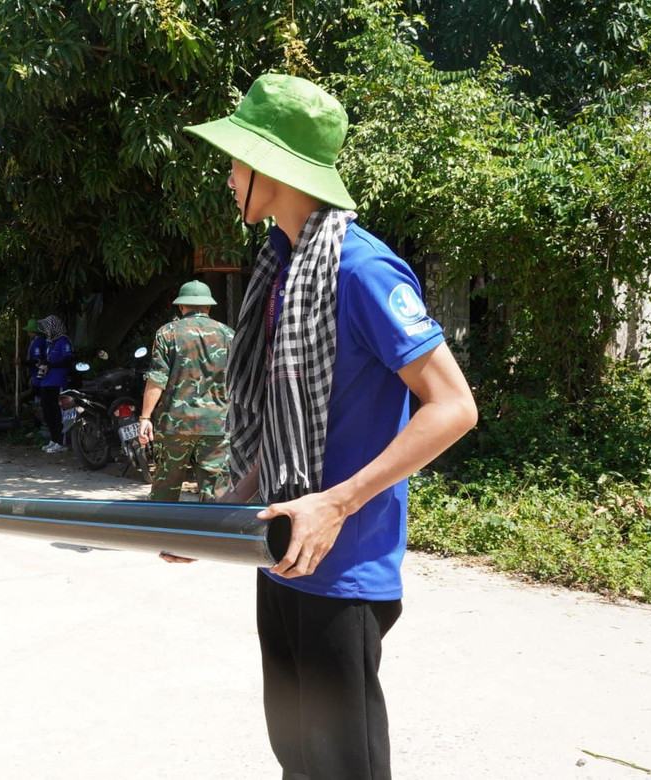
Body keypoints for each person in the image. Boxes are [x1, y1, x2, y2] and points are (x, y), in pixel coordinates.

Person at [184, 74, 477, 779]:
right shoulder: (282, 270)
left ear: (272, 167)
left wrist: (336, 502)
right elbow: (285, 416)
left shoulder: (363, 269)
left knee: (344, 768)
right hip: (280, 551)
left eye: (236, 159)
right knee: (297, 758)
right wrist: (225, 511)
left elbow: (453, 406)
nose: (227, 175)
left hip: (342, 567)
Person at [136, 280, 236, 502]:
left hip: (174, 425)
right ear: (208, 307)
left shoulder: (167, 334)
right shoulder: (228, 335)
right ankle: (214, 535)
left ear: (181, 307)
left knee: (165, 489)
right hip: (217, 425)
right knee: (217, 491)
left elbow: (156, 380)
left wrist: (145, 417)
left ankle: (164, 533)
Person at [36, 316, 74, 453]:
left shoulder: (63, 341)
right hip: (46, 382)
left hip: (58, 381)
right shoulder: (49, 343)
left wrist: (50, 365)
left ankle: (61, 441)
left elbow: (68, 360)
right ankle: (53, 439)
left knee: (58, 412)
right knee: (48, 411)